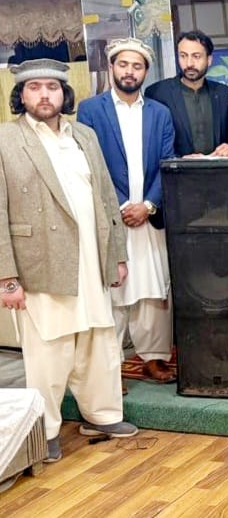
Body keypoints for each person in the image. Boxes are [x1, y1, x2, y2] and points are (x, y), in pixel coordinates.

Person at [0, 59, 137, 463]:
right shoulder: (6, 139)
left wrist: (117, 255)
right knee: (49, 353)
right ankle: (43, 432)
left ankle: (103, 416)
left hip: (92, 261)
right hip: (40, 264)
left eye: (52, 87)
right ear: (20, 95)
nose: (45, 95)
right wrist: (6, 276)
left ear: (65, 93)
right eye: (35, 87)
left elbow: (107, 197)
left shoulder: (84, 135)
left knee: (98, 342)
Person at [77, 38, 177, 386]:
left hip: (149, 215)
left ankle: (153, 357)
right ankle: (109, 367)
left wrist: (148, 205)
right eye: (123, 65)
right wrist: (120, 207)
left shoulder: (159, 113)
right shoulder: (91, 110)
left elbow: (167, 162)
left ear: (146, 72)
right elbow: (88, 161)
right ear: (111, 68)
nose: (129, 72)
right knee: (114, 290)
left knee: (153, 288)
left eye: (137, 66)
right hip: (111, 216)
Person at [145, 30, 228, 157]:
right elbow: (151, 142)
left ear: (209, 60)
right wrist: (178, 159)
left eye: (196, 56)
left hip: (219, 167)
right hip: (177, 168)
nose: (189, 63)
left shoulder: (223, 93)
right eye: (183, 56)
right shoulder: (158, 93)